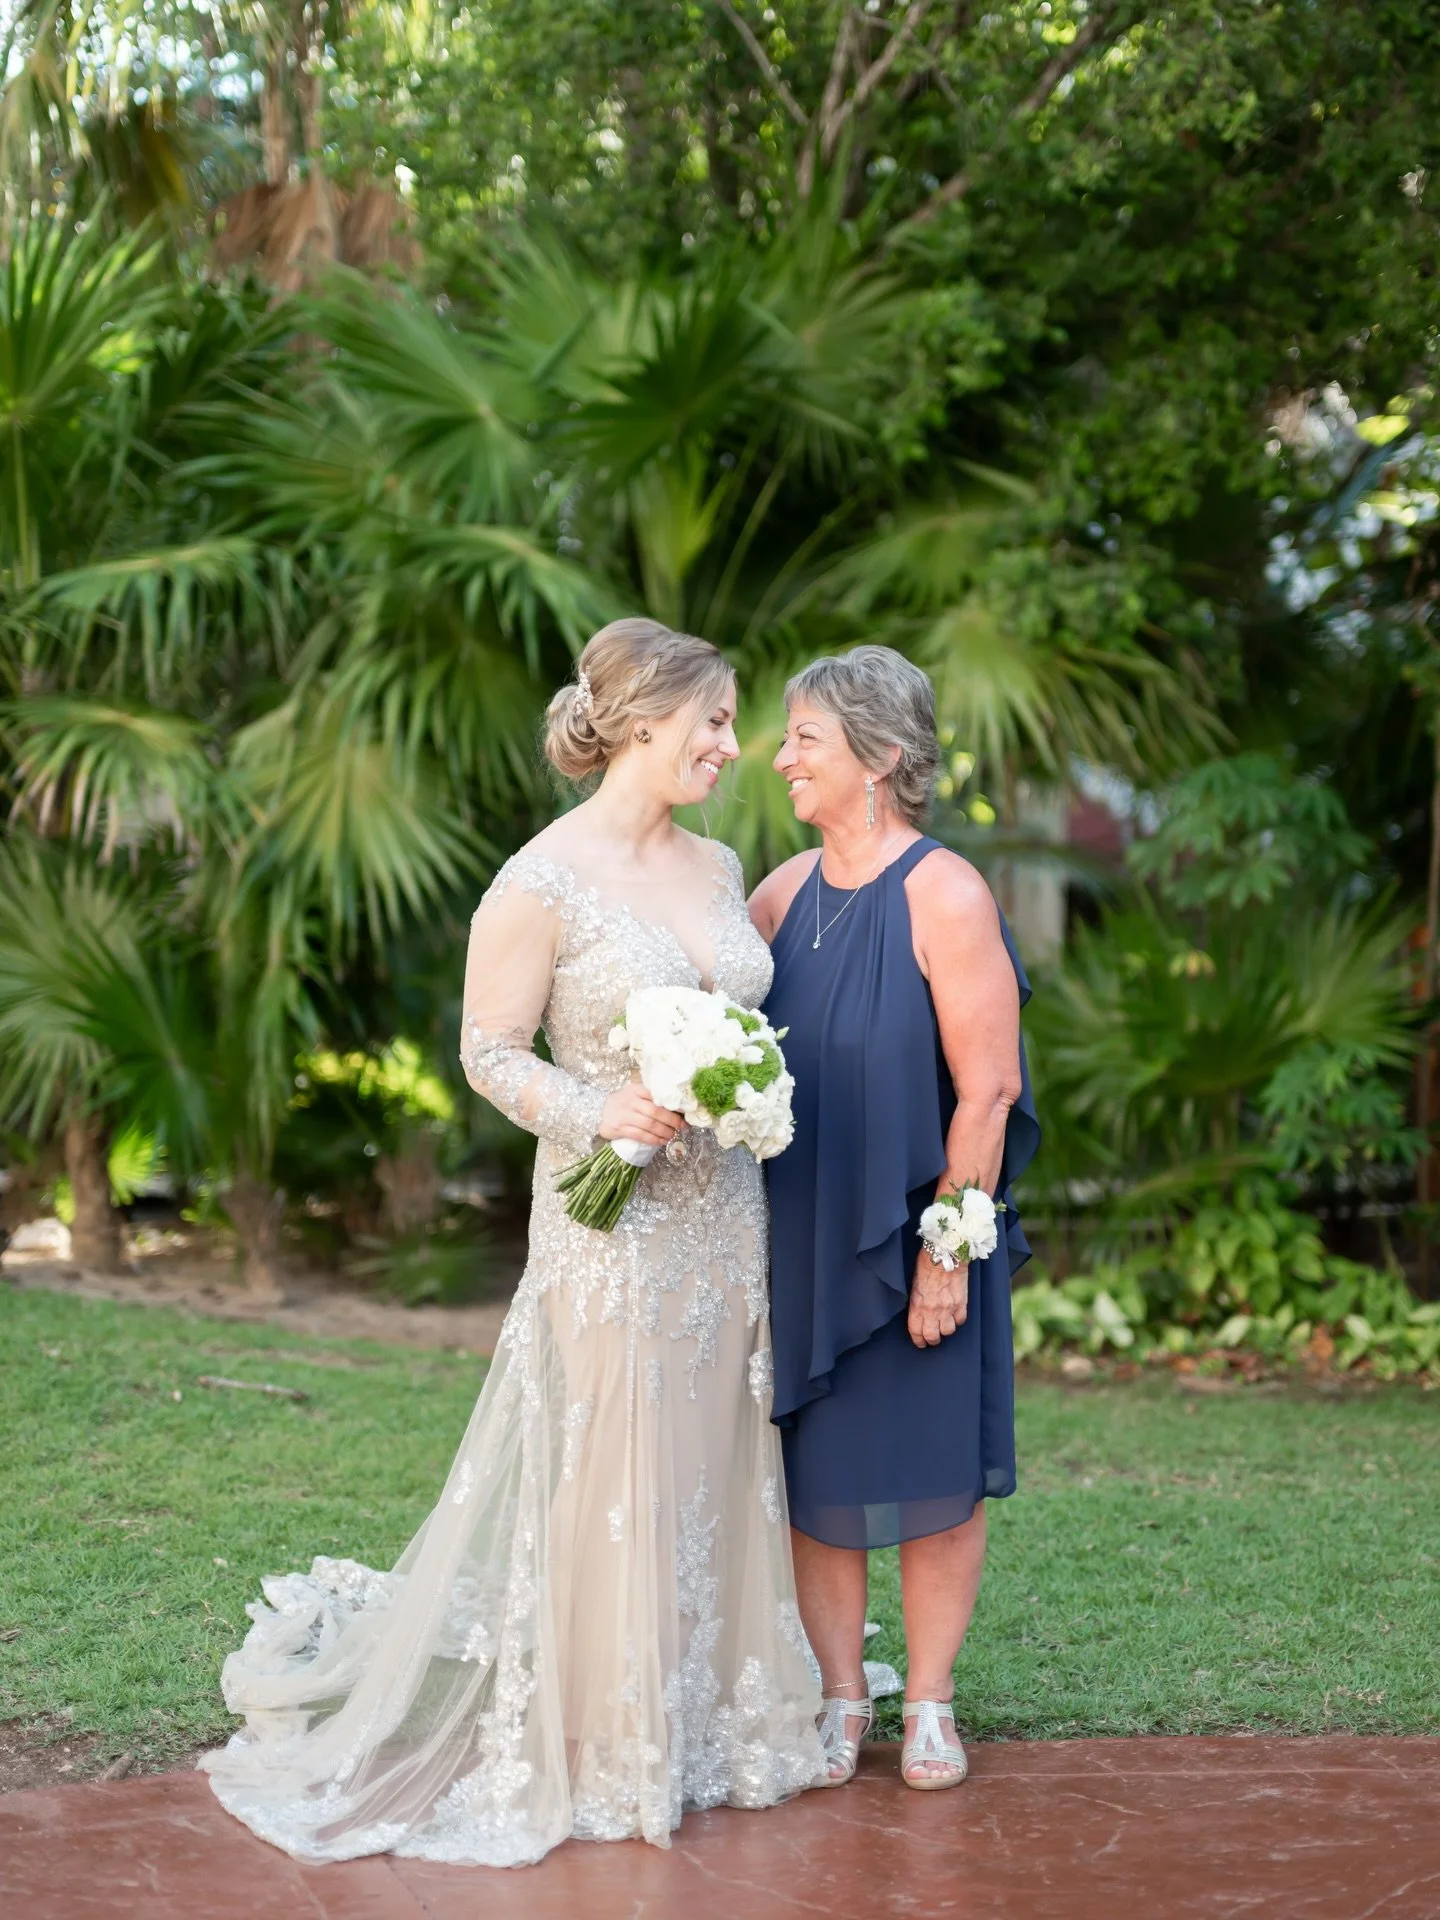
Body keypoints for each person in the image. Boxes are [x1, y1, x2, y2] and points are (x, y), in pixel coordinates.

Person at [203, 618, 826, 1866]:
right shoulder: (538, 880)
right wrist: (605, 1109)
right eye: (712, 719)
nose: (731, 742)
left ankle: (716, 1726)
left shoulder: (717, 865)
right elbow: (489, 1054)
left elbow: (739, 1008)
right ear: (642, 721)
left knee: (709, 1459)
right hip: (610, 1218)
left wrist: (741, 1081)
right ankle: (610, 1741)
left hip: (720, 1219)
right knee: (616, 1470)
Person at [749, 646, 1039, 1792]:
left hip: (924, 1236)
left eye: (803, 739)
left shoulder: (946, 893)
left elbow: (989, 1091)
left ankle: (927, 1705)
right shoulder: (774, 895)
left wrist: (946, 1257)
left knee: (930, 1474)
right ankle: (839, 1700)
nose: (780, 759)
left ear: (877, 759)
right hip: (802, 1240)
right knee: (814, 1478)